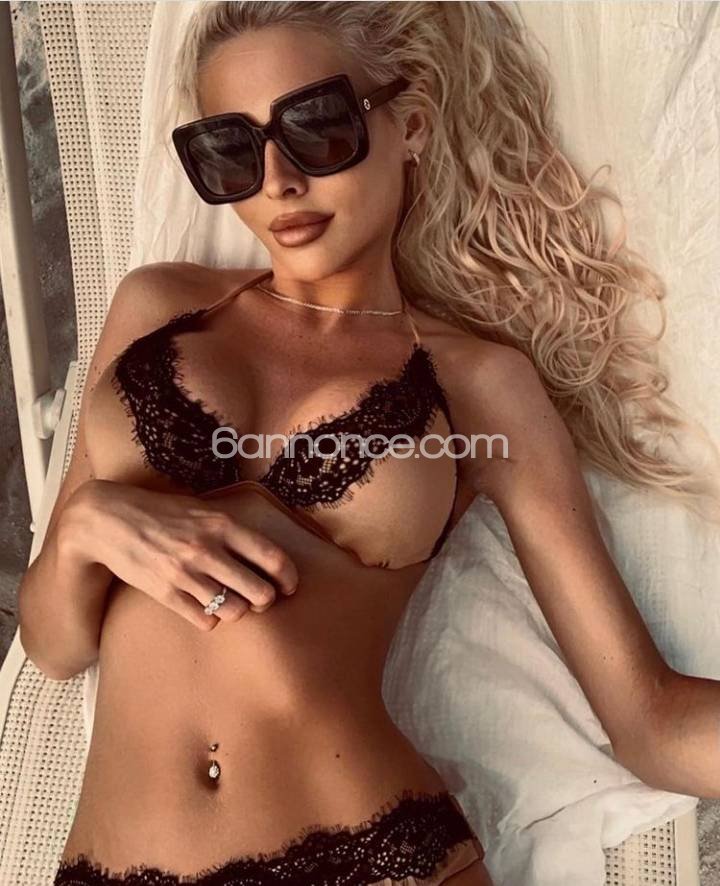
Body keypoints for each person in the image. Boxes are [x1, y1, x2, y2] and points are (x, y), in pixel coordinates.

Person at [17, 2, 720, 884]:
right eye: (232, 150)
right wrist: (86, 524)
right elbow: (54, 645)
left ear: (409, 125)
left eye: (316, 128)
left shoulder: (478, 384)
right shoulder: (157, 307)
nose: (279, 182)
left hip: (374, 857)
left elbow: (651, 723)